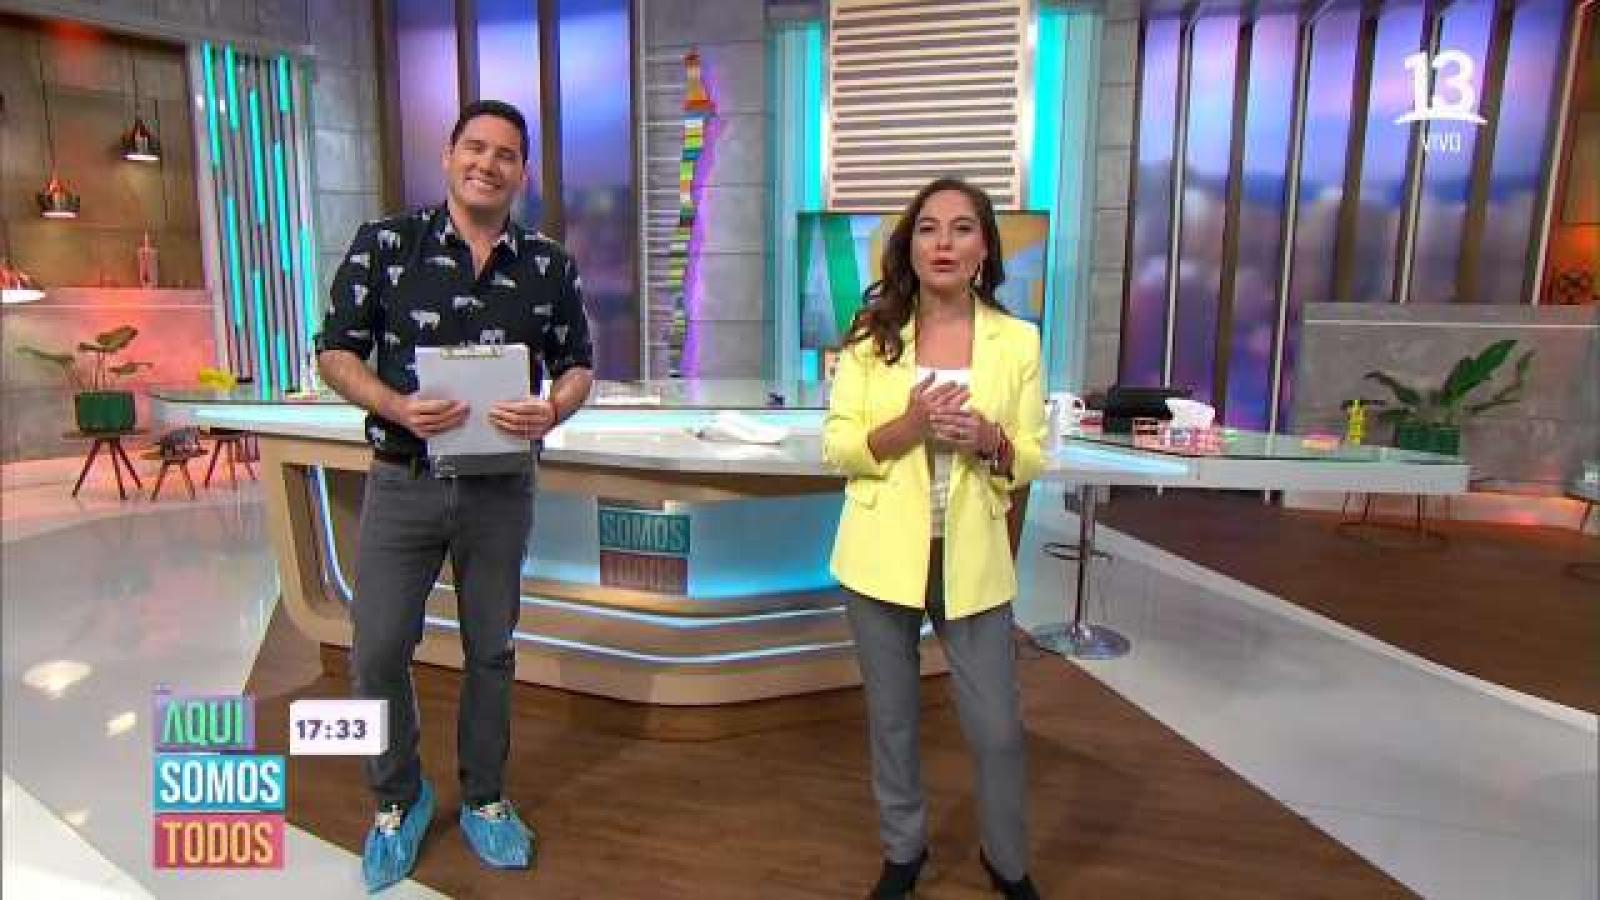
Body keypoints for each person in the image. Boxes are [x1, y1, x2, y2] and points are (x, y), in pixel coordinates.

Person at [315, 99, 594, 893]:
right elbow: (334, 352)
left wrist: (553, 408)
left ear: (522, 172)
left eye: (506, 154)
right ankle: (396, 799)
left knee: (491, 652)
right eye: (475, 147)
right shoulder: (387, 244)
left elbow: (578, 364)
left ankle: (485, 798)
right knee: (375, 651)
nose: (487, 164)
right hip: (402, 480)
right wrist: (396, 405)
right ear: (448, 155)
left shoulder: (549, 264)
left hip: (500, 490)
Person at [823, 177, 1045, 900]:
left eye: (961, 228)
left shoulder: (1018, 341)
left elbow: (1032, 456)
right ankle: (903, 851)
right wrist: (910, 427)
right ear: (910, 246)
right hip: (880, 556)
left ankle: (1007, 861)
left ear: (985, 248)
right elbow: (839, 447)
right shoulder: (871, 339)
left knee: (998, 729)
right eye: (928, 228)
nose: (943, 242)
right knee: (892, 721)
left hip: (971, 556)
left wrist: (990, 439)